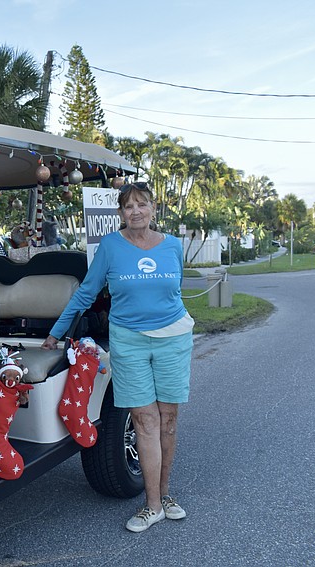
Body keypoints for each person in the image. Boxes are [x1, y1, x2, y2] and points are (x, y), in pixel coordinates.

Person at [41, 182, 193, 533]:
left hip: (173, 339)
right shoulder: (110, 246)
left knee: (168, 420)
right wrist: (58, 330)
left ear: (153, 209)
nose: (135, 211)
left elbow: (176, 289)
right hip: (129, 342)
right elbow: (87, 292)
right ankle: (152, 505)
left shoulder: (172, 245)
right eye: (128, 206)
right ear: (121, 213)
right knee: (144, 420)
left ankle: (166, 495)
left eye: (142, 204)